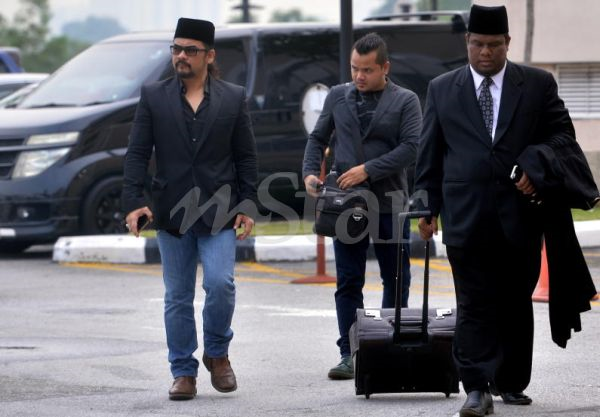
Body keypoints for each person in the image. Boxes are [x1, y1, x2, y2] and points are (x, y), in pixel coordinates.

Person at [414, 5, 597, 417]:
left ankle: (511, 381)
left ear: (508, 43)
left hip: (521, 216)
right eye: (478, 44)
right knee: (474, 303)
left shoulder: (536, 85)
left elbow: (562, 138)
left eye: (494, 45)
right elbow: (430, 154)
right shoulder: (441, 89)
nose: (485, 52)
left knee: (515, 301)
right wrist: (426, 206)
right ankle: (476, 388)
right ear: (467, 42)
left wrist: (534, 165)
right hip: (465, 215)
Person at [121, 17, 257, 400]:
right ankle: (183, 371)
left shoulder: (233, 97)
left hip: (219, 210)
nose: (181, 56)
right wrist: (134, 201)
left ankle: (217, 352)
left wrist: (247, 204)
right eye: (176, 49)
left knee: (221, 284)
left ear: (209, 56)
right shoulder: (153, 96)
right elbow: (137, 153)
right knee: (178, 296)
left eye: (190, 50)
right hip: (172, 211)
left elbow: (246, 156)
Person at [303, 32, 422, 380]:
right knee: (349, 281)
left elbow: (411, 148)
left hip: (390, 202)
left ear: (385, 67)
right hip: (345, 204)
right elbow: (317, 138)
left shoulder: (406, 100)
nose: (359, 75)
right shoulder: (337, 96)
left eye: (367, 70)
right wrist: (309, 172)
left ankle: (389, 349)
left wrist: (368, 169)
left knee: (396, 278)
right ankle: (350, 353)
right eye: (355, 68)